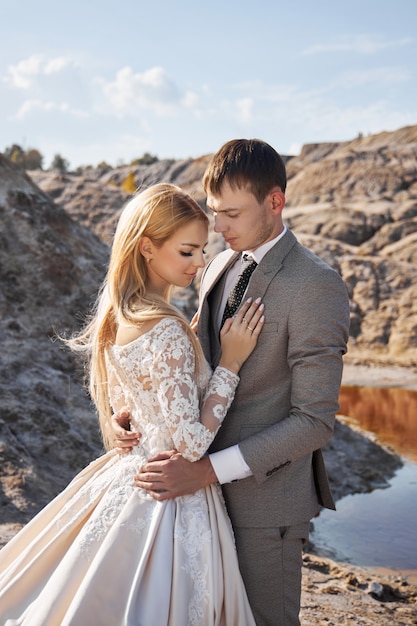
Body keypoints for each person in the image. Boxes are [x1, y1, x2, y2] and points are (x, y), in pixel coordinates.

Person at [0, 183, 266, 625]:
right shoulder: (164, 329)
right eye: (187, 251)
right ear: (146, 247)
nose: (200, 263)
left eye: (202, 250)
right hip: (171, 494)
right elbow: (193, 443)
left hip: (128, 477)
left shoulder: (122, 314)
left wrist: (127, 414)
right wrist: (231, 363)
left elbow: (129, 400)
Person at [113, 140, 351, 626]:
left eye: (232, 215)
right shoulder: (218, 264)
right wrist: (135, 414)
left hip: (265, 505)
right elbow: (190, 371)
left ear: (275, 202)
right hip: (193, 505)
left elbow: (314, 422)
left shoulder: (315, 286)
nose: (218, 228)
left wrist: (205, 472)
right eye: (214, 213)